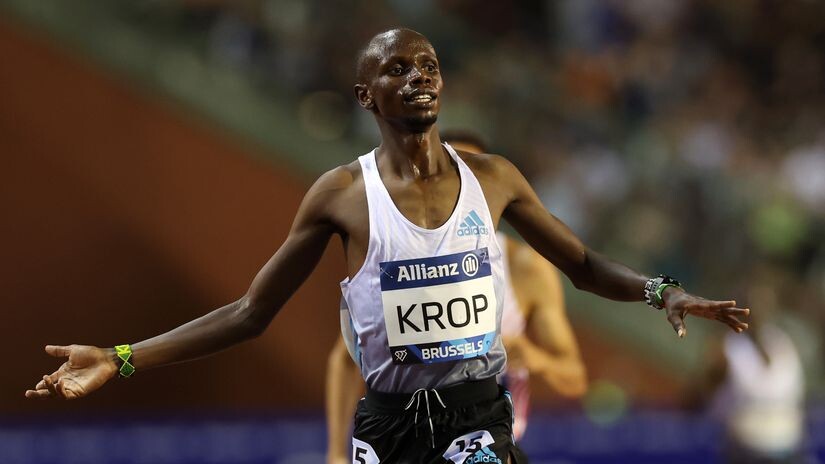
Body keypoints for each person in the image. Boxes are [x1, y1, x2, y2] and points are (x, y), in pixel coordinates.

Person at [26, 28, 749, 464]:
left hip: (477, 413)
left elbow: (584, 265)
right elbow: (250, 312)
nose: (418, 77)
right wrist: (121, 357)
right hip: (388, 424)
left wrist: (661, 291)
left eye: (428, 65)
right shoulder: (342, 195)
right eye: (397, 68)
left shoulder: (493, 179)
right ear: (365, 95)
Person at [325, 130, 588, 464]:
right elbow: (346, 359)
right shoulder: (397, 262)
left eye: (470, 171)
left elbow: (575, 377)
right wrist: (336, 453)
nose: (458, 185)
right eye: (449, 170)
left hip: (488, 447)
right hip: (404, 444)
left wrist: (536, 357)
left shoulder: (526, 268)